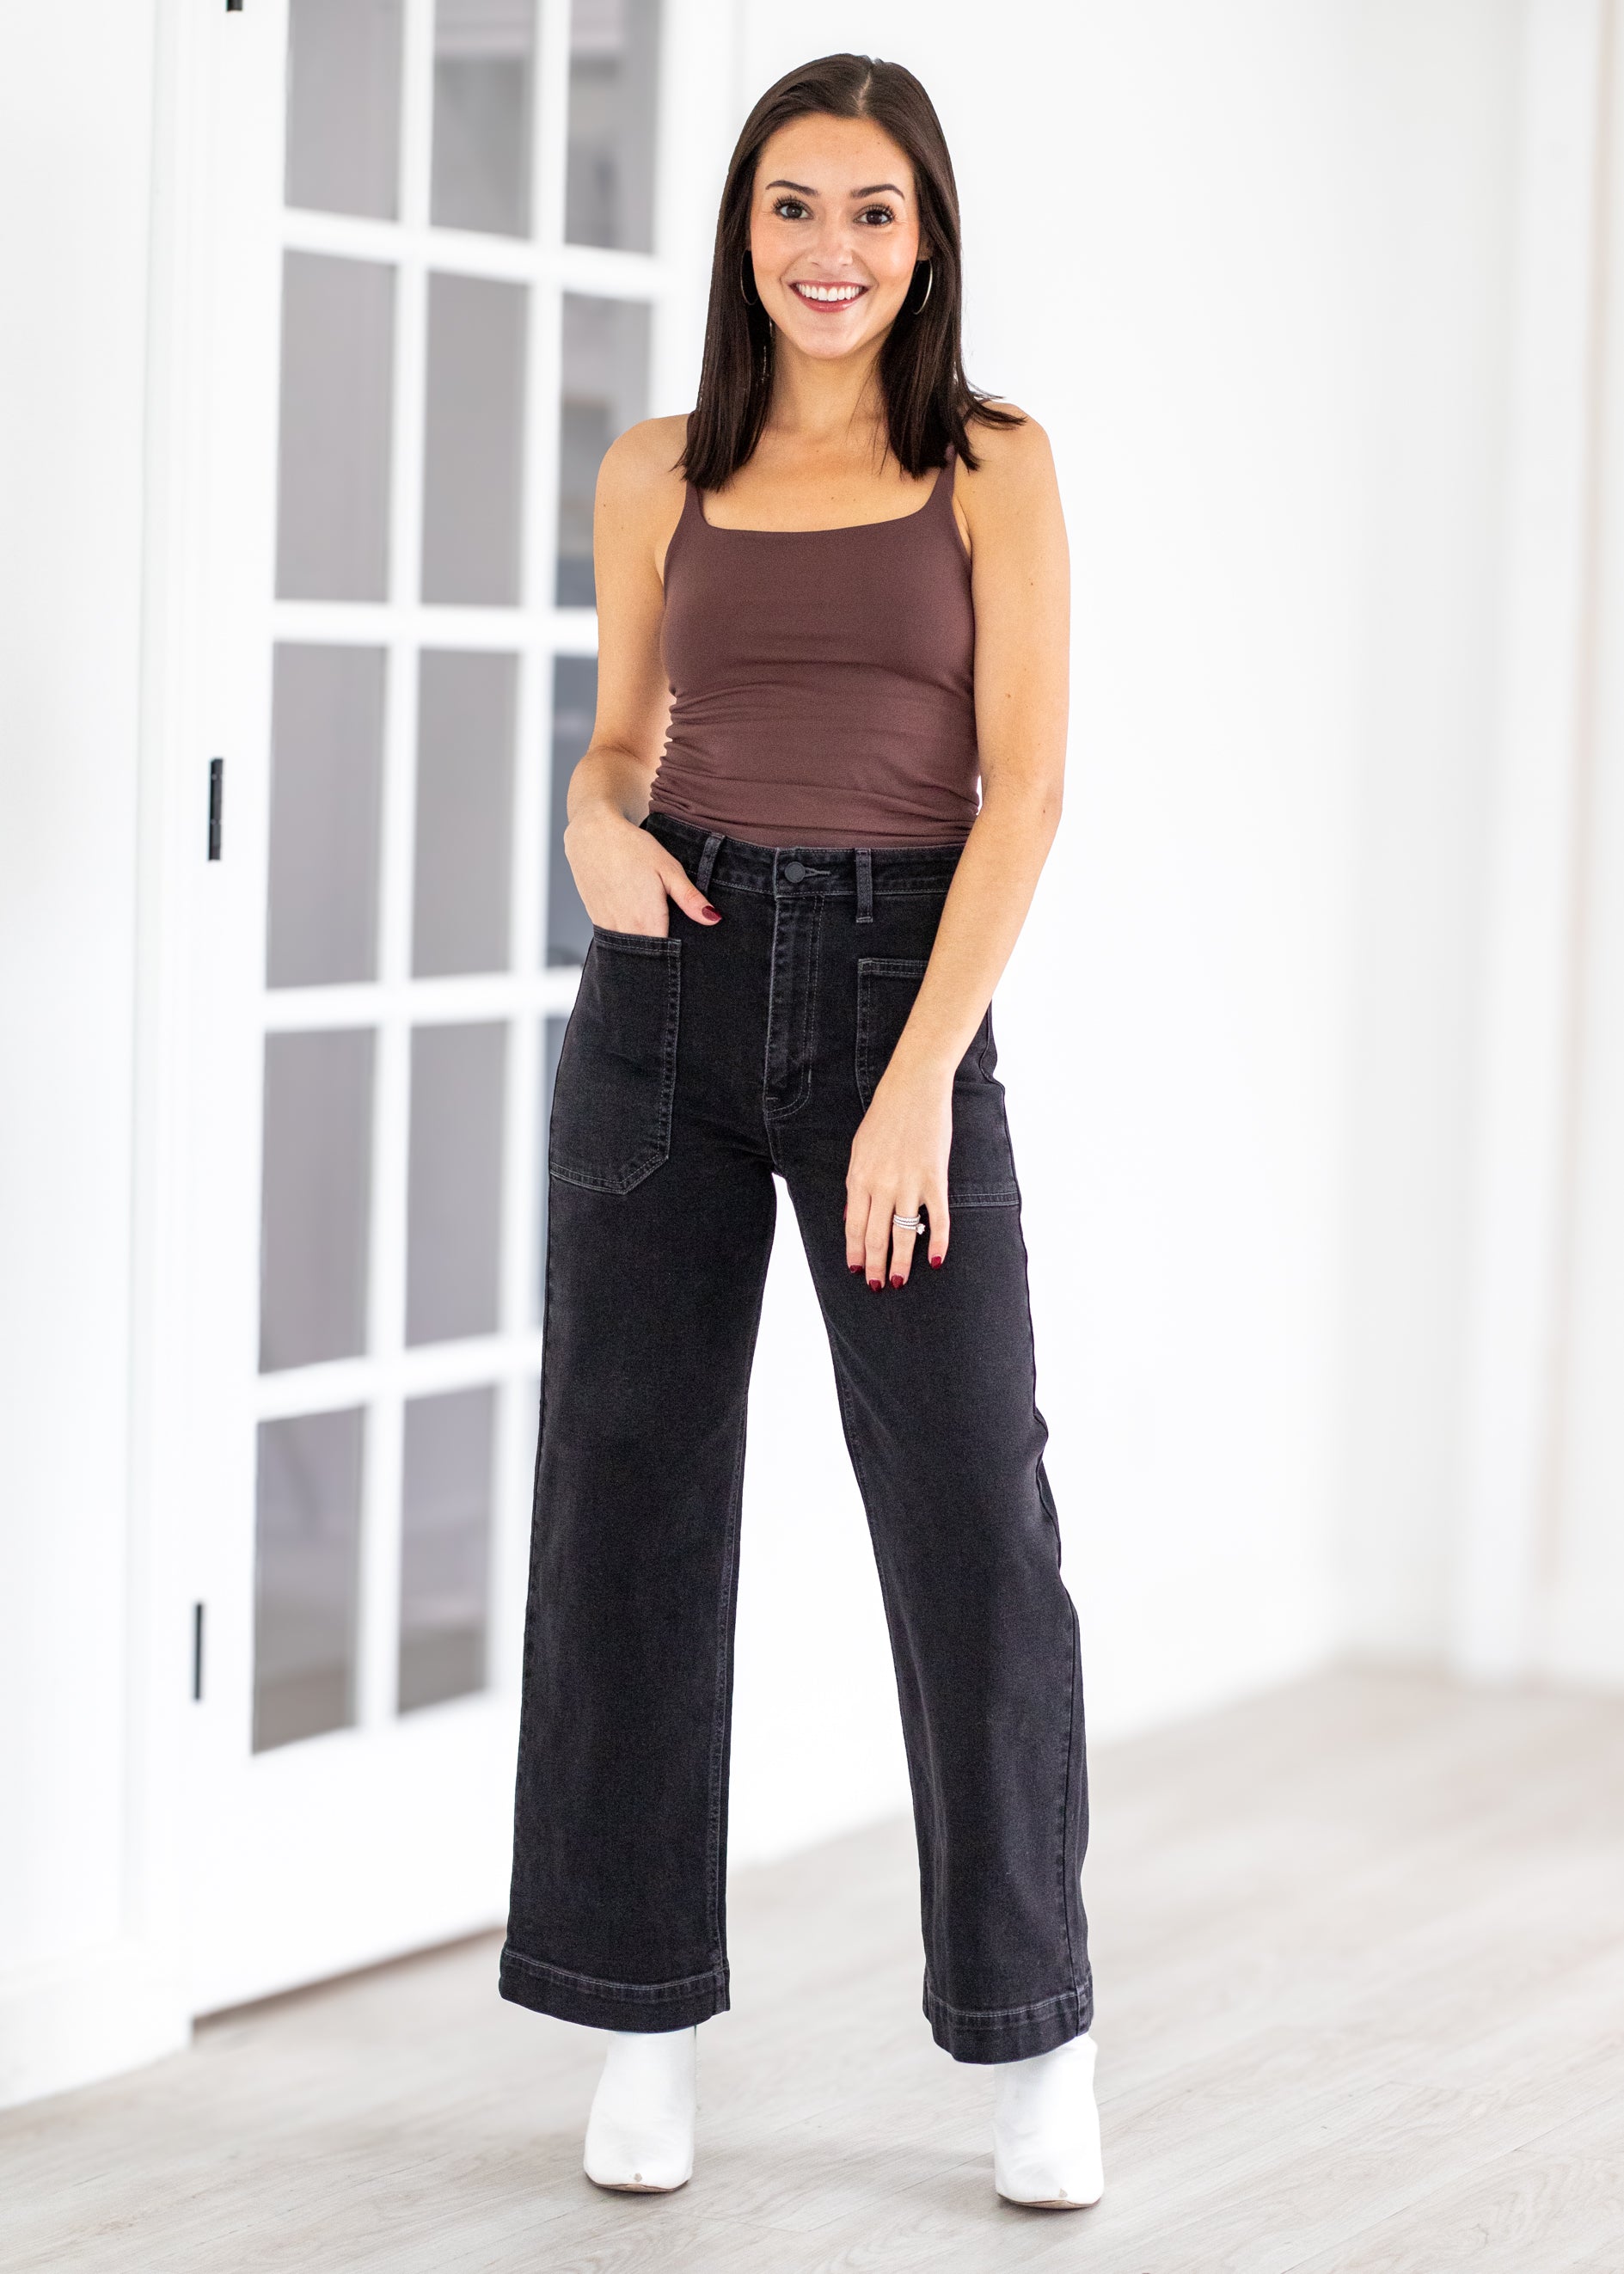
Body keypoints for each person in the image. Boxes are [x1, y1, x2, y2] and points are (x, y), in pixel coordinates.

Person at [499, 51, 1100, 2211]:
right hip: (665, 984)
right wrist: (587, 828)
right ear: (742, 233)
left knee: (971, 1524)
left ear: (924, 236)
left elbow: (1021, 791)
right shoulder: (659, 465)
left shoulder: (993, 465)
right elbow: (621, 741)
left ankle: (1036, 2040)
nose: (828, 253)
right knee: (631, 1506)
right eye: (790, 209)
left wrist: (923, 1072)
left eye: (870, 211)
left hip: (896, 1002)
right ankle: (634, 2015)